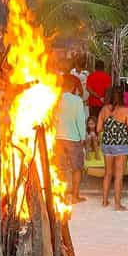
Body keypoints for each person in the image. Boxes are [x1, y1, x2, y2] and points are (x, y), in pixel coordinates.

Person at [96, 85, 128, 210]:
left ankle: (104, 201)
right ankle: (117, 204)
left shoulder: (104, 109)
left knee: (107, 174)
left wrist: (109, 127)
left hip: (107, 145)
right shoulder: (125, 110)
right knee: (118, 176)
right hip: (121, 145)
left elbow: (98, 129)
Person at [54, 75, 87, 204]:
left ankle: (60, 196)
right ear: (73, 86)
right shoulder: (77, 100)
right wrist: (83, 137)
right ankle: (75, 196)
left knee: (60, 169)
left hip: (57, 137)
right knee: (77, 168)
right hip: (74, 138)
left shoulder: (54, 98)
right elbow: (80, 120)